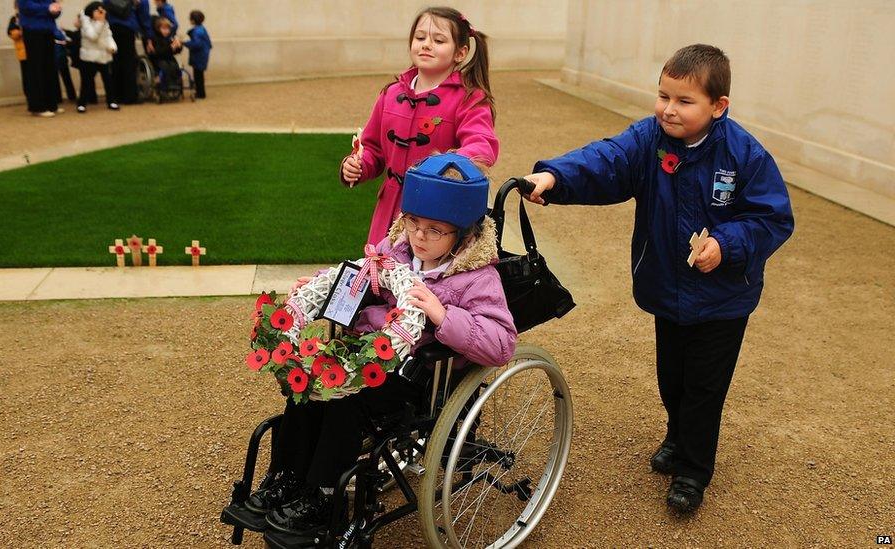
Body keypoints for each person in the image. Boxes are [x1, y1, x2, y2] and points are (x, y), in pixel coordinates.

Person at [521, 44, 795, 513]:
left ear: (718, 106)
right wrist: (556, 179)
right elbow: (605, 160)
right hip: (668, 288)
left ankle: (692, 471)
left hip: (724, 299)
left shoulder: (745, 154)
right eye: (663, 95)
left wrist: (726, 246)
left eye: (684, 101)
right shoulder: (648, 139)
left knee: (705, 387)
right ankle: (676, 433)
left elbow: (773, 218)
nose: (669, 108)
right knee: (672, 377)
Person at [247, 153, 517, 537]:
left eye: (435, 229)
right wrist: (317, 289)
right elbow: (359, 280)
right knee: (304, 387)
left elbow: (502, 343)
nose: (420, 236)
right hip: (366, 354)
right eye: (413, 223)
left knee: (343, 399)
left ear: (464, 233)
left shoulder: (477, 278)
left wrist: (444, 316)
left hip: (417, 376)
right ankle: (287, 477)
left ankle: (323, 495)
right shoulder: (397, 251)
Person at [340, 7, 499, 245]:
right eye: (420, 37)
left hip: (437, 216)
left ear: (460, 52)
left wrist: (441, 169)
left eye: (439, 40)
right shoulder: (391, 94)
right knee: (380, 273)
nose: (426, 45)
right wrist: (359, 165)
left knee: (423, 280)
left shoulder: (469, 99)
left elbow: (482, 145)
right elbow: (373, 148)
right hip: (389, 209)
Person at [16, 0, 63, 117]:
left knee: (49, 67)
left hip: (48, 29)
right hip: (33, 30)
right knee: (36, 67)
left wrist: (56, 10)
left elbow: (53, 8)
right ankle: (37, 106)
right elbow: (26, 7)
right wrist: (48, 8)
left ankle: (52, 104)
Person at [106, 0, 152, 104]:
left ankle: (116, 96)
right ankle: (129, 96)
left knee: (115, 63)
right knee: (129, 63)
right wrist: (148, 35)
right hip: (127, 28)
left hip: (111, 28)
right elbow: (144, 16)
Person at [77, 2, 119, 112]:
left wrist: (113, 47)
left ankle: (111, 101)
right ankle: (82, 104)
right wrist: (100, 22)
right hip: (89, 57)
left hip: (104, 56)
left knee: (108, 81)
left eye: (102, 11)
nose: (101, 13)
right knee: (86, 81)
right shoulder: (86, 22)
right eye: (98, 11)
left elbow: (108, 36)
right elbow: (93, 36)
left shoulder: (105, 23)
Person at [148, 17, 182, 92]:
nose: (166, 31)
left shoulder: (169, 38)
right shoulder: (155, 39)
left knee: (175, 66)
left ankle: (175, 84)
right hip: (158, 59)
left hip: (169, 59)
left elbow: (175, 52)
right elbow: (158, 52)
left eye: (168, 29)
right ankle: (167, 85)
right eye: (164, 29)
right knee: (165, 66)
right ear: (158, 28)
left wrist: (178, 47)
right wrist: (171, 47)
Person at [183, 10, 211, 99]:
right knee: (199, 75)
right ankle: (200, 92)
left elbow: (196, 44)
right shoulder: (201, 29)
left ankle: (200, 93)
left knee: (198, 75)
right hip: (202, 55)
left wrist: (184, 43)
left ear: (193, 20)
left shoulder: (197, 31)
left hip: (199, 56)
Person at [7, 2, 29, 104]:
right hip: (23, 52)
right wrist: (21, 31)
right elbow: (12, 34)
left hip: (34, 51)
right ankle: (29, 96)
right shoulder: (14, 20)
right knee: (27, 76)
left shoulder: (30, 17)